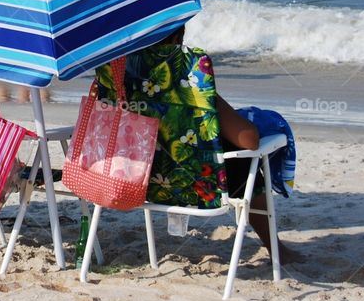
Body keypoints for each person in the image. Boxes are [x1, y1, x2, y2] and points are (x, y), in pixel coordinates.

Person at [94, 25, 301, 263]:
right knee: (240, 160)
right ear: (178, 37)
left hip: (132, 179)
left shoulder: (114, 74)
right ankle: (277, 250)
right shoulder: (189, 84)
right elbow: (250, 140)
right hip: (194, 187)